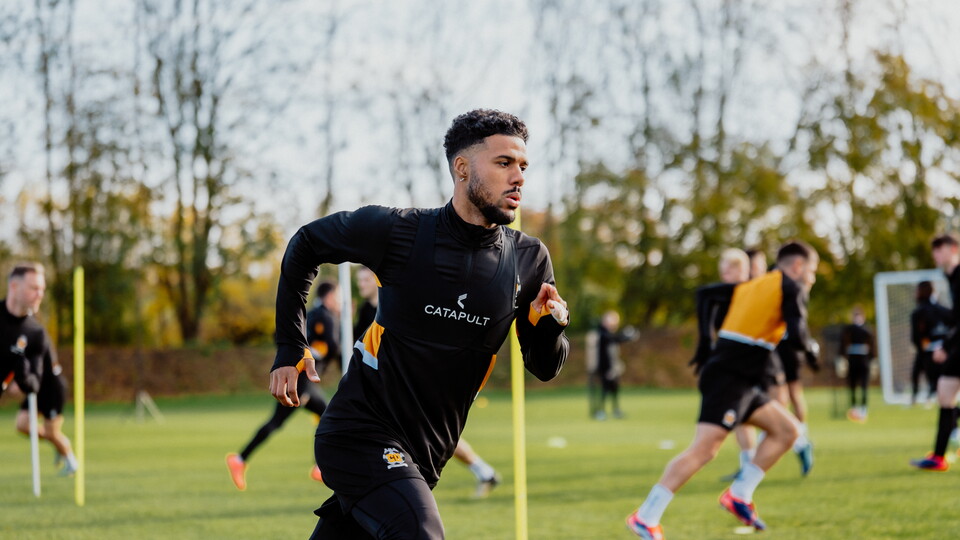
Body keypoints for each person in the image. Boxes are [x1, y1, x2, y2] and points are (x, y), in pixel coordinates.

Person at [270, 109, 569, 538]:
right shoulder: (398, 230)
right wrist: (289, 346)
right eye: (503, 163)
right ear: (462, 168)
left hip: (426, 455)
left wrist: (549, 326)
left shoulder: (529, 257)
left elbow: (545, 366)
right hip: (359, 432)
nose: (518, 176)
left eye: (523, 166)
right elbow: (305, 245)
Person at [627, 241, 818, 539]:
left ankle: (739, 495)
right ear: (797, 266)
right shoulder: (790, 288)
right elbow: (799, 335)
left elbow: (704, 295)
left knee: (787, 430)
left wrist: (705, 340)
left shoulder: (757, 284)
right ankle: (646, 515)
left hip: (739, 380)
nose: (813, 277)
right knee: (704, 450)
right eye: (812, 270)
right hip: (729, 379)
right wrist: (812, 349)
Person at [352, 266, 503, 499]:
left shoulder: (395, 300)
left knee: (430, 433)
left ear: (376, 279)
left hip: (416, 381)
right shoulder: (365, 311)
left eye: (364, 280)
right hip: (385, 384)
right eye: (359, 280)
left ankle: (480, 471)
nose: (361, 285)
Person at [226, 281, 340, 490]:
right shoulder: (325, 316)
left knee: (324, 415)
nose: (340, 301)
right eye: (338, 296)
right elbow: (332, 345)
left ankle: (318, 466)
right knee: (289, 420)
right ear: (330, 296)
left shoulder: (312, 313)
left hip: (300, 375)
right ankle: (240, 459)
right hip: (303, 379)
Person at [1, 263, 78, 476]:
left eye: (42, 289)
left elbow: (33, 375)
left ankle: (69, 457)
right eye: (34, 288)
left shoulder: (36, 332)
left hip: (52, 386)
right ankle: (58, 445)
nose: (40, 295)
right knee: (22, 425)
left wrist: (21, 377)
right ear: (14, 287)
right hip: (33, 385)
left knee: (53, 433)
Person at [910, 233, 960, 471]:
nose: (936, 255)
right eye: (934, 251)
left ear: (953, 249)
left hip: (956, 345)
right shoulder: (949, 276)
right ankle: (939, 456)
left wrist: (946, 346)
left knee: (945, 393)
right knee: (945, 392)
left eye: (940, 249)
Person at [909, 281, 951, 406]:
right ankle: (920, 395)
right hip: (939, 349)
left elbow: (916, 337)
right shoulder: (942, 309)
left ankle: (931, 394)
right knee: (919, 372)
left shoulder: (920, 312)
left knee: (936, 377)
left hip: (931, 350)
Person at [592, 310, 636, 420]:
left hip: (613, 367)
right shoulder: (601, 333)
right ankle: (600, 411)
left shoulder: (609, 333)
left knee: (614, 389)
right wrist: (627, 335)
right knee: (605, 389)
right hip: (605, 367)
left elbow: (615, 340)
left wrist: (627, 337)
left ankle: (615, 410)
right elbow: (614, 339)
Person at [840, 306, 875, 422]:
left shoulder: (866, 330)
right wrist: (842, 358)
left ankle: (864, 408)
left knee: (864, 386)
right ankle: (853, 408)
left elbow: (872, 345)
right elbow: (843, 344)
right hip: (853, 360)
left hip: (863, 361)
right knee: (852, 385)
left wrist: (873, 359)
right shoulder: (849, 330)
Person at [353, 266, 379, 344]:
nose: (361, 285)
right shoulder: (364, 309)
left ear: (377, 281)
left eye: (366, 280)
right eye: (360, 280)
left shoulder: (388, 308)